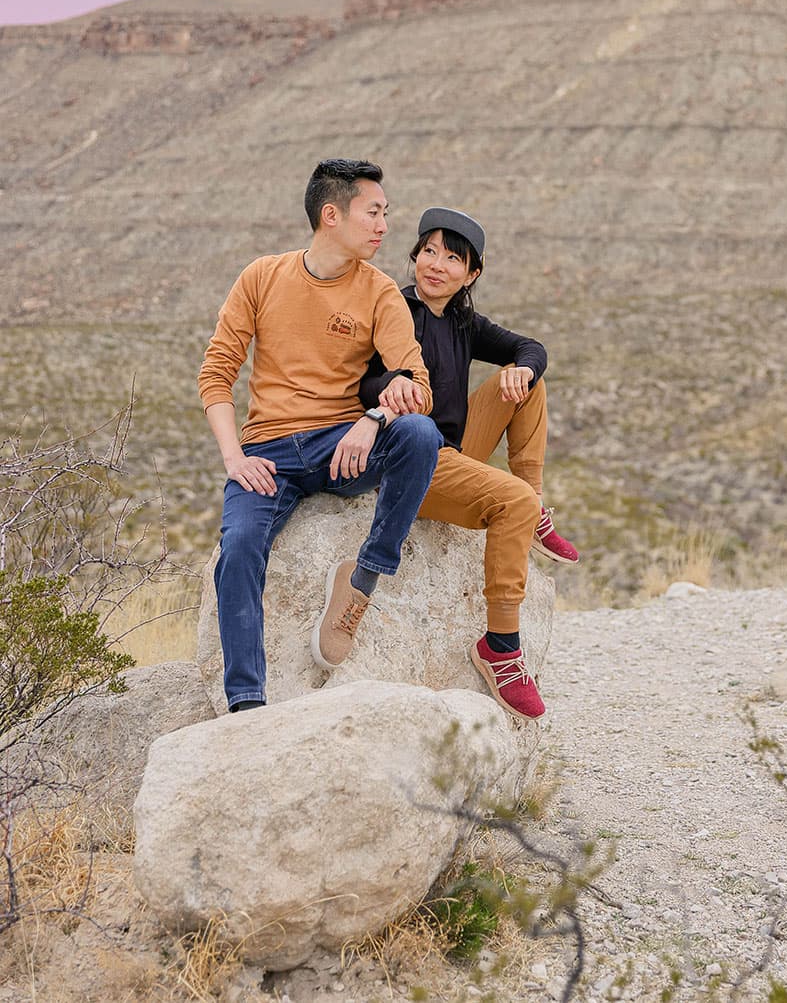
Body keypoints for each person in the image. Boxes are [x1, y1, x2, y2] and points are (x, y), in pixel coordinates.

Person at [197, 158, 441, 712]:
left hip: (341, 447)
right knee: (236, 550)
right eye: (373, 213)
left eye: (386, 214)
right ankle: (246, 704)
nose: (384, 226)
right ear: (331, 215)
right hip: (268, 455)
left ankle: (366, 576)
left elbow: (417, 384)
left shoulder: (379, 291)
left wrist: (372, 418)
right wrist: (234, 458)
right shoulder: (262, 276)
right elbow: (216, 372)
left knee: (420, 435)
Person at [360, 206, 580, 723]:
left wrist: (521, 368)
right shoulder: (395, 309)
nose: (436, 264)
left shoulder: (461, 320)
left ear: (471, 274)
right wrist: (389, 386)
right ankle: (500, 648)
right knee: (512, 502)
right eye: (428, 251)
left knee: (530, 381)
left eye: (452, 257)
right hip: (413, 462)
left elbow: (531, 347)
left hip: (454, 453)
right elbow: (361, 381)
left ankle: (534, 510)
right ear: (414, 257)